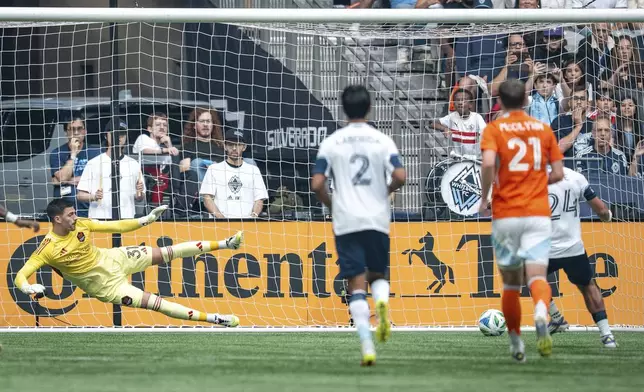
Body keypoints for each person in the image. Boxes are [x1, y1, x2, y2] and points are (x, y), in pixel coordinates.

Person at [14, 198, 242, 327]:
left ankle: (227, 243)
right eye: (71, 214)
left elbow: (116, 226)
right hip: (105, 286)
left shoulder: (83, 224)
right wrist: (26, 286)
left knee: (167, 252)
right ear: (57, 219)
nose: (75, 217)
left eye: (75, 213)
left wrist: (146, 220)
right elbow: (21, 275)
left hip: (114, 258)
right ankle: (217, 319)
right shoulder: (47, 248)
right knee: (159, 304)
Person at [311, 85, 406, 366]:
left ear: (343, 108)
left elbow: (317, 183)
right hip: (376, 217)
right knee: (378, 276)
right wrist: (384, 192)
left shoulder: (332, 142)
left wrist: (333, 205)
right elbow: (400, 175)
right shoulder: (382, 140)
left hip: (347, 219)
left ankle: (367, 346)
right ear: (369, 108)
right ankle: (383, 303)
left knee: (355, 286)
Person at [479, 79, 564, 362]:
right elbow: (559, 173)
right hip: (538, 212)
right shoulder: (543, 129)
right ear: (526, 101)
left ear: (500, 102)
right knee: (537, 276)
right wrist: (537, 182)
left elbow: (489, 163)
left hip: (506, 214)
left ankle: (516, 345)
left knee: (511, 285)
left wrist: (484, 197)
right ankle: (541, 310)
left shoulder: (494, 128)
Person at [545, 167, 617, 348]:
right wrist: (608, 217)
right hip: (573, 249)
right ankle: (607, 335)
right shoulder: (576, 177)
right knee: (588, 286)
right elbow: (601, 210)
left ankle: (556, 318)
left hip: (545, 249)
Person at [77, 118, 145, 219]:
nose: (118, 136)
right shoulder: (93, 163)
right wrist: (94, 197)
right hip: (99, 219)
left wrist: (139, 194)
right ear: (106, 135)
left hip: (126, 219)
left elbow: (139, 197)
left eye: (122, 133)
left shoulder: (134, 164)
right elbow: (80, 195)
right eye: (114, 132)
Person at [200, 129, 268, 219]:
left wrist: (253, 217)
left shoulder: (254, 170)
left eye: (238, 144)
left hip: (247, 225)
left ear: (244, 147)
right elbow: (207, 198)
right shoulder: (214, 169)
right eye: (230, 144)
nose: (234, 148)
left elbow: (259, 199)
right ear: (225, 146)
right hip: (220, 226)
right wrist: (222, 219)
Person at [50, 117, 102, 217]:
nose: (76, 132)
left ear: (85, 131)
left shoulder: (95, 152)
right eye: (72, 129)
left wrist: (67, 180)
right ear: (66, 132)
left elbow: (98, 179)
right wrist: (73, 154)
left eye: (80, 128)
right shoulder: (57, 153)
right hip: (64, 211)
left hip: (90, 207)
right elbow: (62, 178)